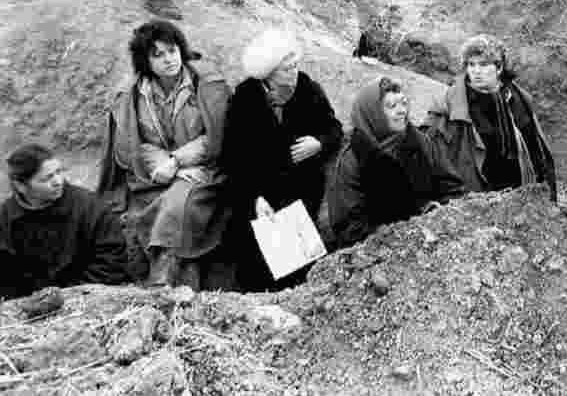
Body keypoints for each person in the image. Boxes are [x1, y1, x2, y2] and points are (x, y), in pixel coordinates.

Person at [96, 20, 231, 289]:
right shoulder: (134, 95)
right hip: (154, 173)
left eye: (172, 51)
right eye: (157, 55)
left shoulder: (207, 85)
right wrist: (170, 167)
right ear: (145, 61)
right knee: (170, 199)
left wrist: (178, 160)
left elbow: (216, 137)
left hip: (205, 167)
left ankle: (163, 272)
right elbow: (135, 144)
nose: (168, 59)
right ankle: (180, 278)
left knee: (179, 200)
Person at [221, 28, 343, 291]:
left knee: (299, 248)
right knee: (256, 247)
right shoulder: (245, 98)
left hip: (301, 184)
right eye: (287, 69)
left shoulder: (307, 88)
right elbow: (233, 157)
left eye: (296, 65)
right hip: (258, 187)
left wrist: (318, 142)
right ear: (269, 74)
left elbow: (334, 128)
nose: (294, 72)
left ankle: (299, 291)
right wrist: (255, 197)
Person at [328, 77, 466, 247]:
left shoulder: (420, 141)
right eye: (391, 106)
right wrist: (401, 234)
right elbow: (348, 227)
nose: (402, 111)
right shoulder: (352, 159)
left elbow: (453, 188)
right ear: (373, 113)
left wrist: (438, 214)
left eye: (403, 103)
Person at [425, 34, 557, 201]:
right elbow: (433, 155)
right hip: (474, 197)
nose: (476, 71)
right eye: (471, 65)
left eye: (483, 64)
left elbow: (537, 150)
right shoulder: (450, 103)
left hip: (519, 193)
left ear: (499, 67)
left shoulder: (518, 98)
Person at [0, 144, 131, 299]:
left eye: (58, 172)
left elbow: (113, 261)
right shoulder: (5, 219)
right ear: (20, 186)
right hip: (30, 305)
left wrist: (70, 295)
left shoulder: (89, 207)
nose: (58, 181)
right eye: (47, 178)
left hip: (87, 296)